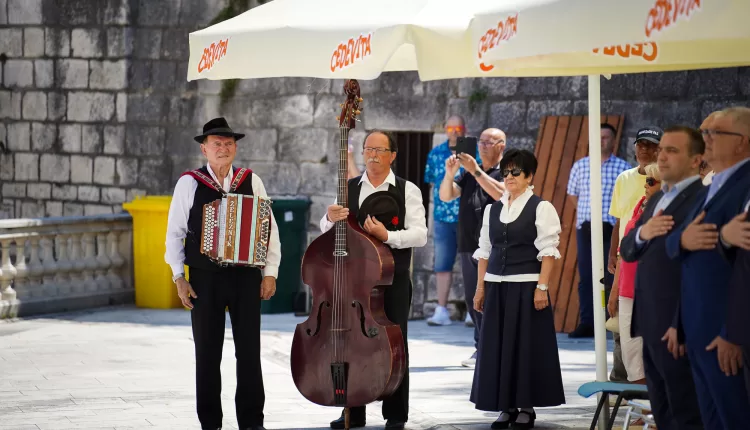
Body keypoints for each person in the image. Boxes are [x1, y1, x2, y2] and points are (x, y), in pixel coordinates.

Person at [164, 117, 280, 430]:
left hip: (245, 278)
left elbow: (269, 228)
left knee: (249, 352)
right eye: (217, 143)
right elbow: (174, 233)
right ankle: (211, 423)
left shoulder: (251, 180)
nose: (223, 148)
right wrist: (179, 277)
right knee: (207, 354)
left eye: (228, 143)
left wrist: (270, 272)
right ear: (204, 148)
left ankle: (252, 421)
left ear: (235, 148)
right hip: (205, 279)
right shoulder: (189, 183)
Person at [321, 130, 428, 430]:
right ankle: (352, 412)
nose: (373, 155)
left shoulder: (408, 190)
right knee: (352, 342)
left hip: (391, 280)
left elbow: (420, 235)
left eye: (380, 150)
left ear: (393, 155)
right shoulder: (350, 187)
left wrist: (387, 236)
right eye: (369, 149)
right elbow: (325, 226)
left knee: (395, 343)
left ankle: (396, 414)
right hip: (353, 281)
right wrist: (329, 217)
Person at [664, 108, 750, 429]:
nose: (706, 139)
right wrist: (680, 322)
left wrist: (733, 332)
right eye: (704, 131)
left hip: (725, 337)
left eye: (715, 133)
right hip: (698, 331)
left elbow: (745, 267)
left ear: (742, 143)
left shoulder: (744, 185)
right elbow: (675, 248)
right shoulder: (712, 184)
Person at [471, 148, 565, 429]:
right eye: (506, 172)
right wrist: (480, 289)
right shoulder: (492, 209)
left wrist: (542, 287)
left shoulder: (541, 207)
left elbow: (548, 251)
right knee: (498, 348)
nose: (509, 177)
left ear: (529, 176)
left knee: (526, 348)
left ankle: (526, 407)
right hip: (496, 287)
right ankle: (506, 405)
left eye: (516, 172)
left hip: (526, 288)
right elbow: (485, 252)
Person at [619, 125, 706, 430]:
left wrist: (678, 323)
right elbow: (627, 249)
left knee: (686, 410)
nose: (662, 156)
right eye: (662, 149)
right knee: (663, 408)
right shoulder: (656, 200)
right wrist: (644, 232)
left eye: (672, 150)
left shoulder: (702, 199)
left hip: (677, 327)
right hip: (649, 322)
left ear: (696, 160)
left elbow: (698, 270)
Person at [439, 128, 506, 367]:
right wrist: (450, 174)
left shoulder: (506, 171)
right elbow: (446, 196)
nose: (483, 146)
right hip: (468, 245)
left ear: (501, 146)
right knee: (472, 299)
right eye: (481, 142)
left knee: (491, 298)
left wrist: (475, 171)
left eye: (489, 142)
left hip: (495, 247)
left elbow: (501, 195)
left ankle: (493, 349)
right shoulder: (468, 174)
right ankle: (481, 348)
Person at [566, 123, 631, 340]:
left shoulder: (623, 168)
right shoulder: (581, 166)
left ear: (613, 140)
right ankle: (587, 323)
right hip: (586, 229)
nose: (602, 140)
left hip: (612, 229)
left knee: (612, 276)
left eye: (606, 137)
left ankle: (610, 321)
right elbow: (573, 194)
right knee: (586, 277)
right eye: (599, 136)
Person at [609, 163, 663, 388]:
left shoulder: (666, 210)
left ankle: (654, 412)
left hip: (651, 290)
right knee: (631, 352)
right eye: (646, 181)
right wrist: (614, 289)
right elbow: (624, 248)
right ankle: (644, 406)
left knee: (651, 352)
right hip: (627, 287)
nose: (646, 185)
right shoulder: (641, 205)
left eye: (651, 181)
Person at [424, 115, 477, 326]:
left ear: (464, 129)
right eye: (450, 128)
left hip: (469, 216)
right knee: (442, 264)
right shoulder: (435, 154)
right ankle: (441, 310)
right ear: (445, 130)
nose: (454, 131)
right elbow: (430, 182)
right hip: (442, 218)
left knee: (471, 263)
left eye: (458, 127)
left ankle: (473, 309)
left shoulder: (473, 153)